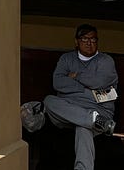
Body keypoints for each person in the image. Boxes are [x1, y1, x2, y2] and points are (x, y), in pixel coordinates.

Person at [43, 24, 117, 170]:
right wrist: (88, 91)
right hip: (71, 110)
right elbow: (58, 83)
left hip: (100, 109)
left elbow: (100, 82)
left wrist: (75, 76)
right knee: (49, 100)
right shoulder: (66, 59)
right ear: (76, 41)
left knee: (83, 127)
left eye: (93, 39)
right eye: (84, 39)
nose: (89, 43)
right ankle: (93, 120)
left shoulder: (106, 60)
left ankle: (92, 120)